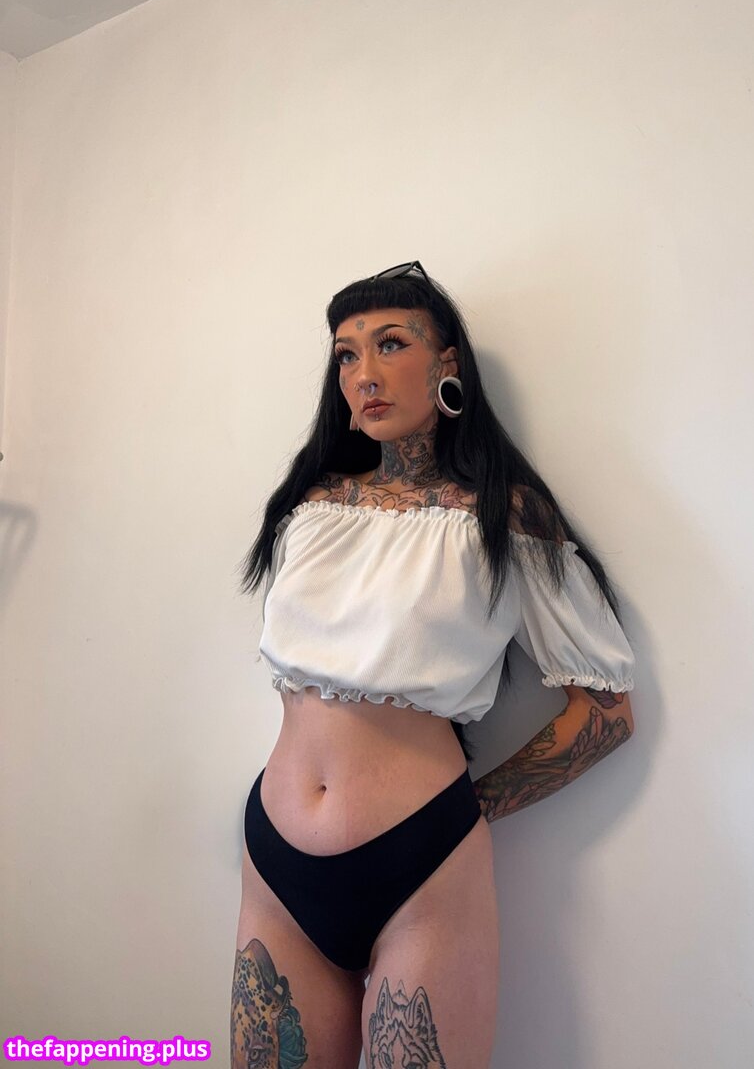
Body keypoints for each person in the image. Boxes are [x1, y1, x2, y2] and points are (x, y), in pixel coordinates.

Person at [230, 261, 636, 1069]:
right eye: (346, 355)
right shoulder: (311, 507)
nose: (363, 374)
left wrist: (470, 809)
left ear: (447, 363)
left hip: (421, 864)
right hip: (275, 861)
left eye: (390, 344)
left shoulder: (503, 518)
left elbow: (607, 713)